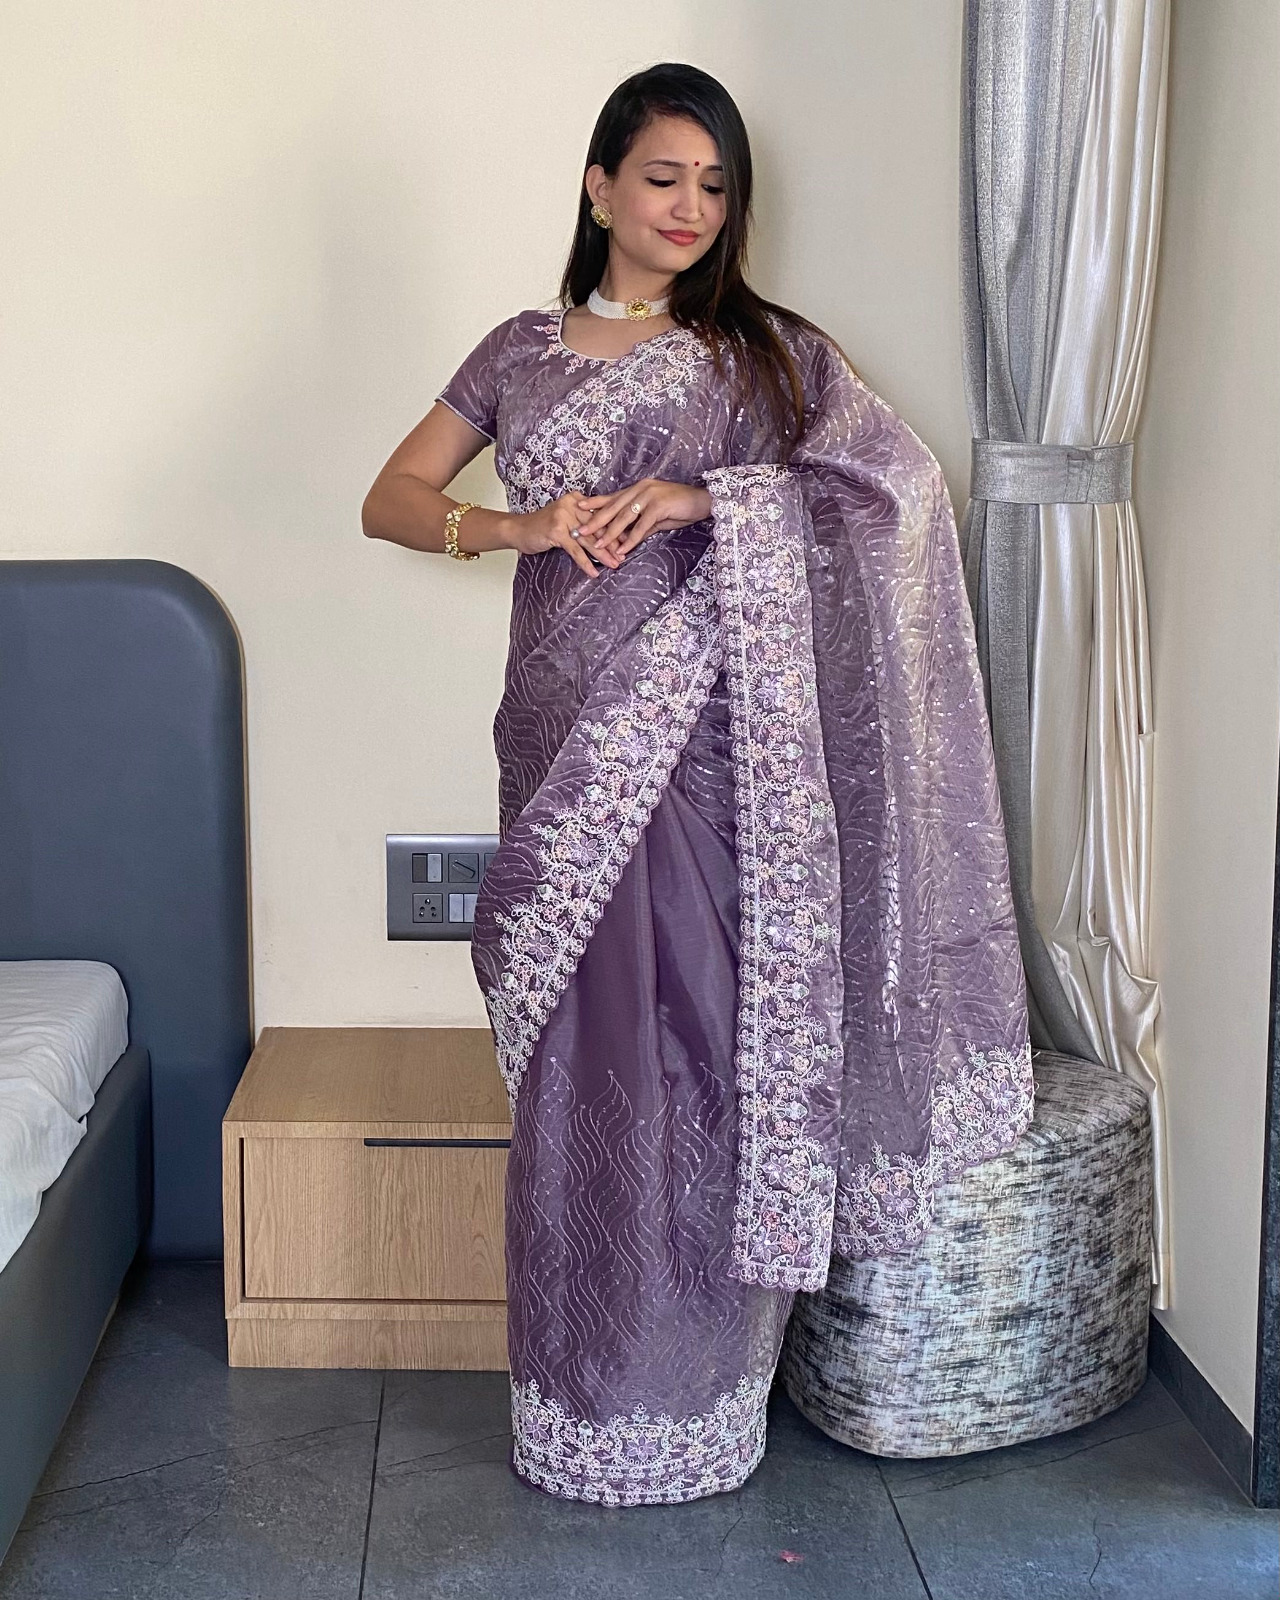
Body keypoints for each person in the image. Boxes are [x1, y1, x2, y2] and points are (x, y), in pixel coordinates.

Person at [362, 60, 1033, 1508]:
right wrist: (521, 525)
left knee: (702, 1062)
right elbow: (392, 498)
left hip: (715, 769)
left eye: (716, 187)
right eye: (662, 177)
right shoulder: (519, 352)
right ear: (598, 185)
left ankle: (695, 1391)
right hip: (560, 749)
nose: (689, 208)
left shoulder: (762, 356)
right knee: (580, 1073)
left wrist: (707, 498)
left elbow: (895, 493)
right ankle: (581, 1391)